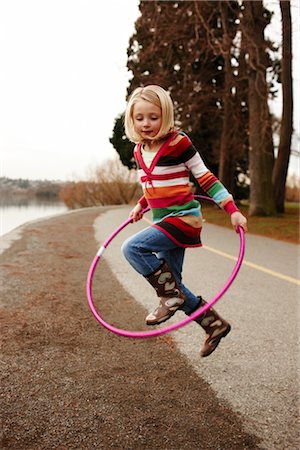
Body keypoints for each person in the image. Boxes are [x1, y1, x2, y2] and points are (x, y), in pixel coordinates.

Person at [121, 85, 247, 357]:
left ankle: (170, 297)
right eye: (140, 118)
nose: (146, 124)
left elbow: (205, 177)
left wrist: (232, 209)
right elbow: (151, 186)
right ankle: (214, 325)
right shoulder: (139, 151)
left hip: (183, 219)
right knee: (173, 285)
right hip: (163, 220)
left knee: (132, 248)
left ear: (165, 115)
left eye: (153, 117)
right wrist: (140, 206)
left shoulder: (179, 142)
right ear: (132, 119)